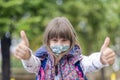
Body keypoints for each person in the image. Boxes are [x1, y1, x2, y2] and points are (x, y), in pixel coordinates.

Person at [14, 17, 115, 80]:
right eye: (54, 40)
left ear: (71, 41)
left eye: (64, 40)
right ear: (48, 42)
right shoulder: (42, 61)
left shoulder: (78, 62)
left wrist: (102, 58)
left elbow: (91, 62)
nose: (59, 44)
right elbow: (32, 65)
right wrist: (26, 56)